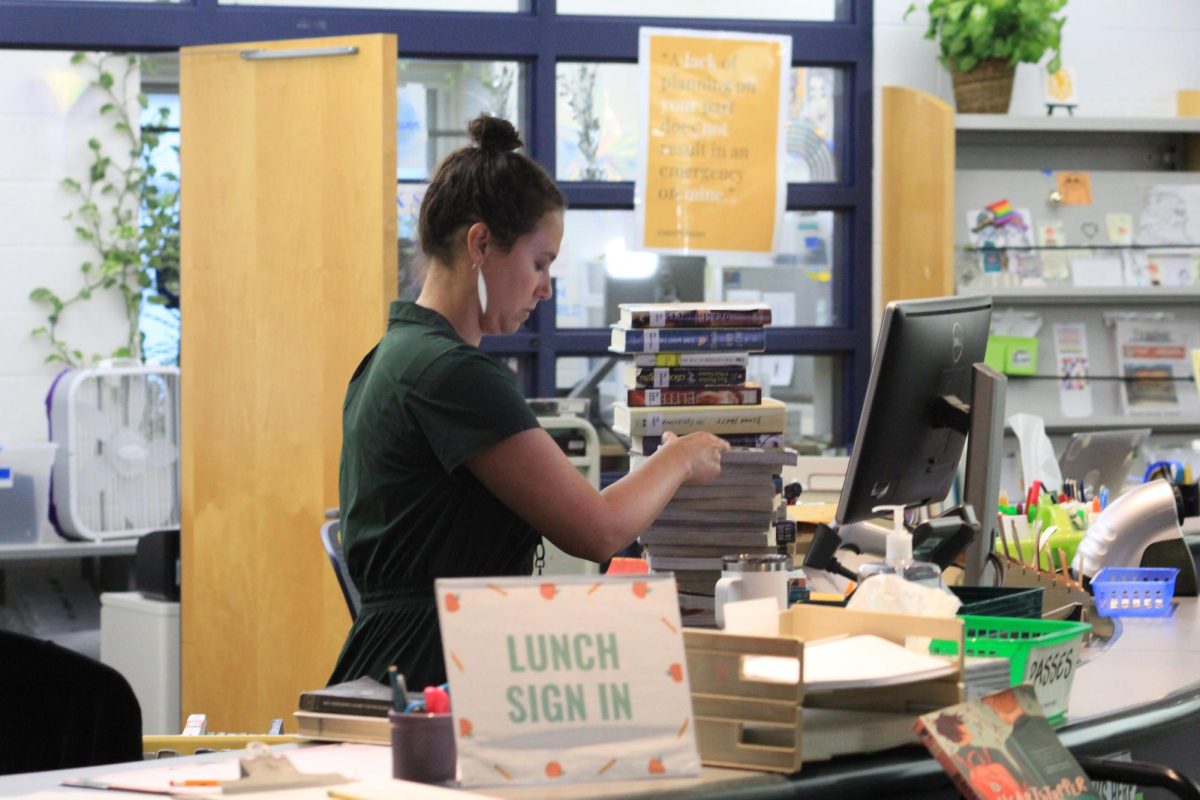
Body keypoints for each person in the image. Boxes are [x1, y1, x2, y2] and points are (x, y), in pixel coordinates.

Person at [328, 114, 730, 689]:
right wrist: (681, 457)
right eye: (540, 263)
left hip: (400, 660)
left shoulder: (392, 357)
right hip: (433, 671)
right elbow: (597, 530)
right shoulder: (452, 375)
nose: (545, 288)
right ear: (481, 243)